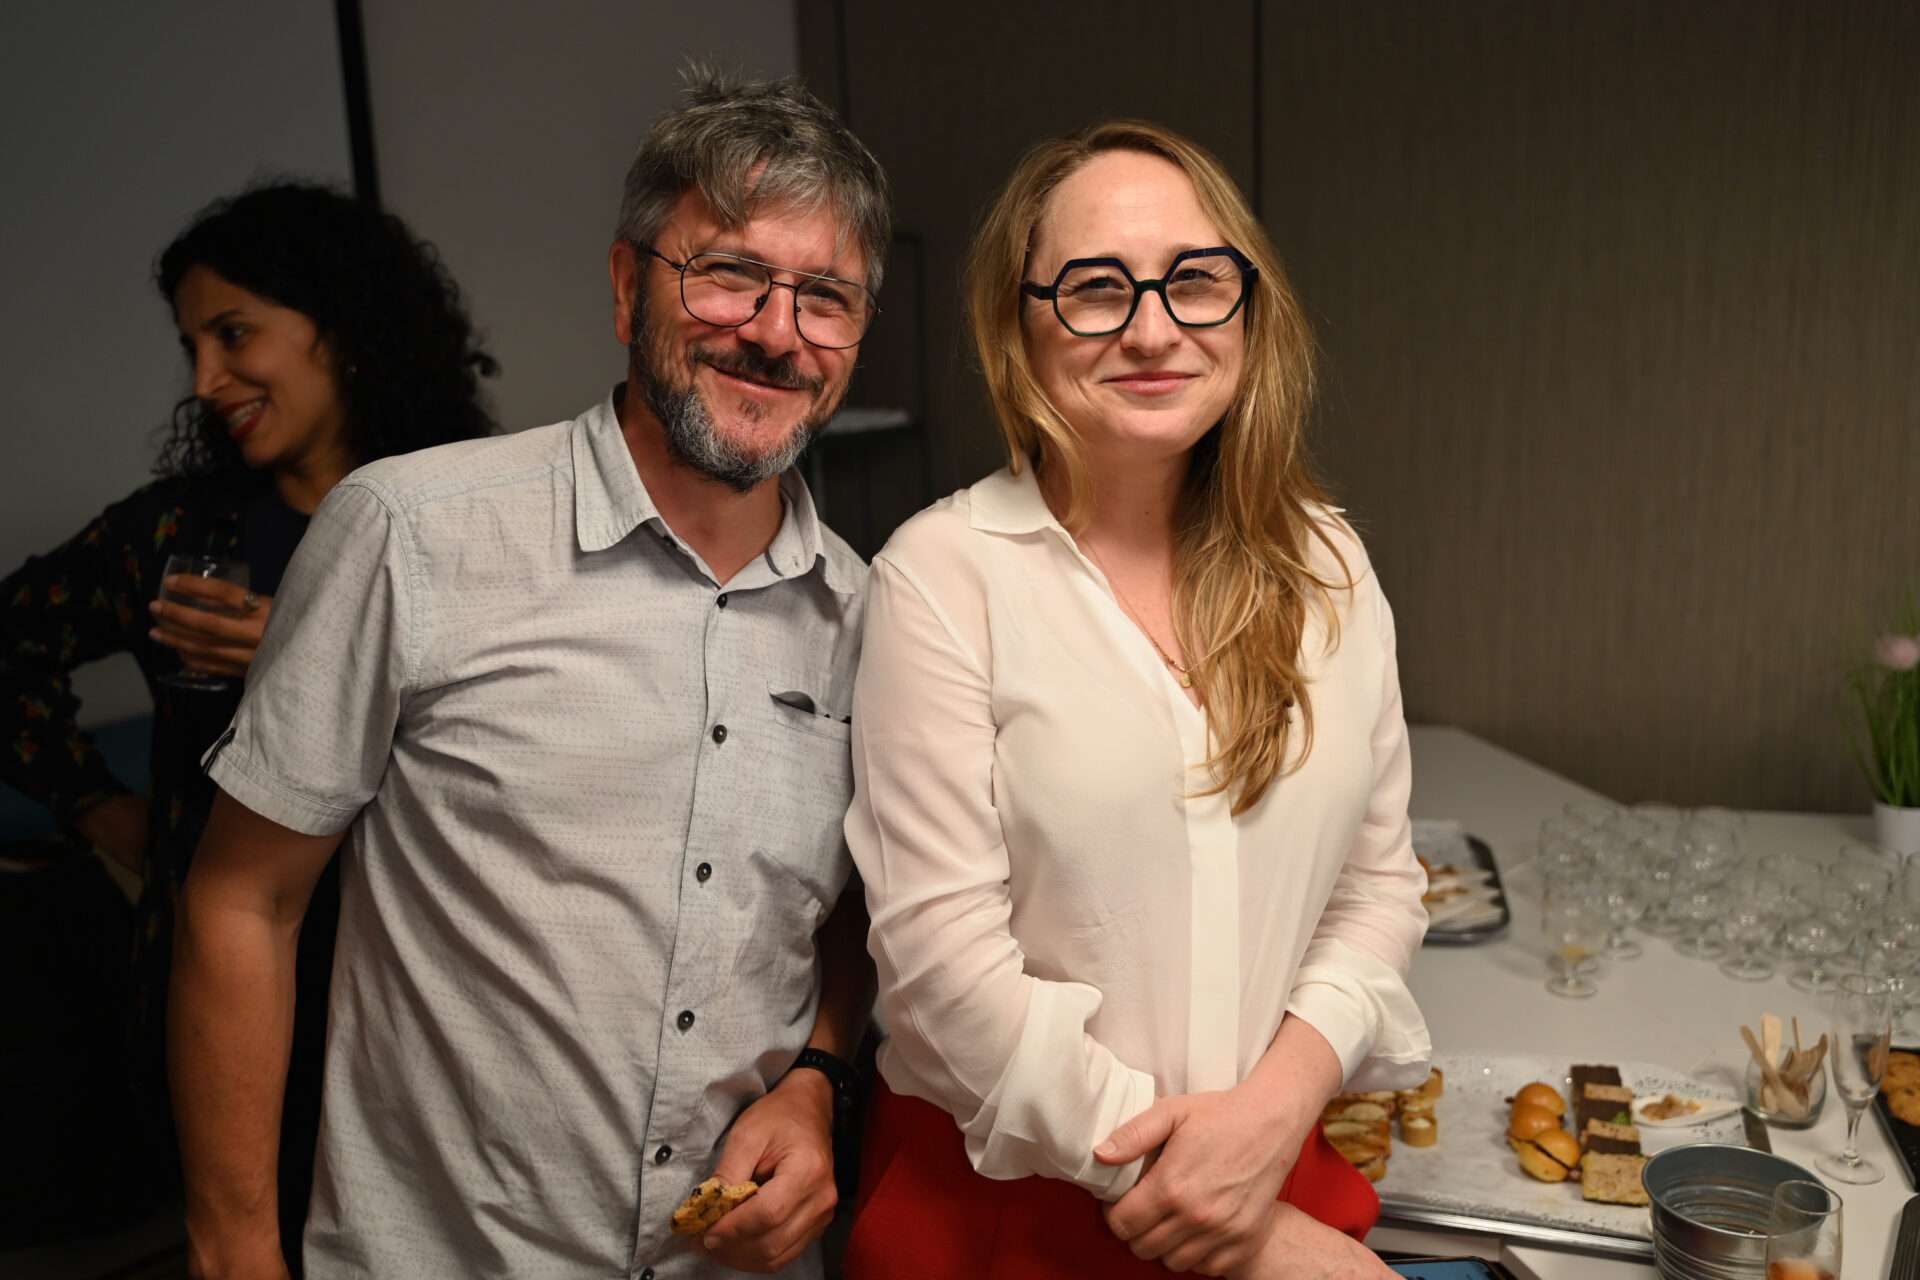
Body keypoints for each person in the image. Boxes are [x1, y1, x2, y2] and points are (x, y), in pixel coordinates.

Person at [169, 72, 887, 1280]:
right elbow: (246, 901)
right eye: (727, 272)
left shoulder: (876, 616)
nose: (775, 329)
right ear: (625, 286)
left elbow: (853, 920)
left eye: (826, 296)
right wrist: (236, 1250)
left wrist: (817, 1077)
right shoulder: (411, 532)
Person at [841, 120, 1432, 1279]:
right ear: (1021, 326)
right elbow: (938, 976)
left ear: (1248, 312)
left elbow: (1379, 887)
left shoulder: (1327, 568)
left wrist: (1271, 1115)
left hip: (1275, 1162)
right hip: (1008, 1218)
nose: (1154, 327)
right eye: (1097, 289)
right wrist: (1241, 1223)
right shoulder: (941, 576)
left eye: (1196, 281)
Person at [0, 181, 495, 1261]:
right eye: (190, 347)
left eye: (234, 335)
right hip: (225, 1009)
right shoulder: (178, 538)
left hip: (437, 1002)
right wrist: (99, 806)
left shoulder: (469, 518)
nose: (206, 380)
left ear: (342, 326)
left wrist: (297, 647)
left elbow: (520, 737)